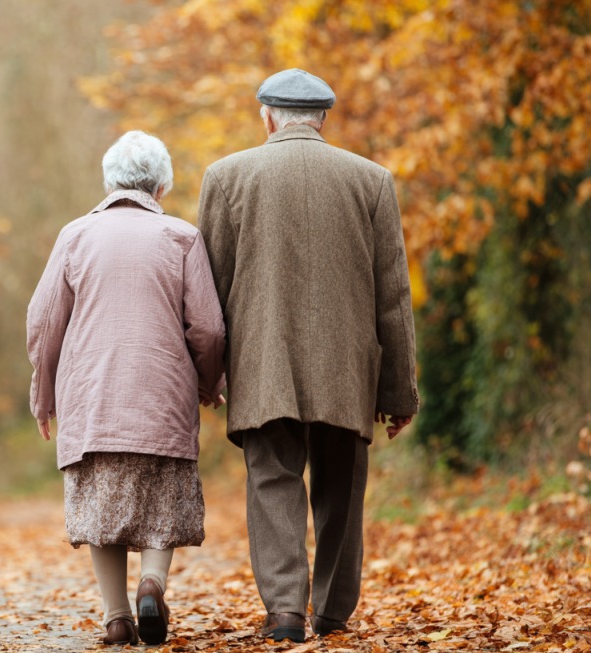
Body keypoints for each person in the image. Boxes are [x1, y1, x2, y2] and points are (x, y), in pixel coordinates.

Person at [196, 68, 419, 643]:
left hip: (261, 365)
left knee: (272, 481)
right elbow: (391, 296)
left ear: (266, 116)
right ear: (323, 118)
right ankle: (331, 612)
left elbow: (209, 293)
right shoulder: (371, 181)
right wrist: (399, 391)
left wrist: (210, 375)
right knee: (340, 487)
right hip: (347, 370)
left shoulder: (226, 178)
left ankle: (285, 612)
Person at [27, 131, 226, 646]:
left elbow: (45, 322)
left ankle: (117, 617)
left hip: (92, 398)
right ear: (161, 186)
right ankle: (153, 584)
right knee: (162, 500)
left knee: (101, 505)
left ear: (109, 181)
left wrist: (44, 395)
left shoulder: (75, 235)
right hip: (162, 396)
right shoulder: (181, 236)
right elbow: (207, 327)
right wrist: (208, 382)